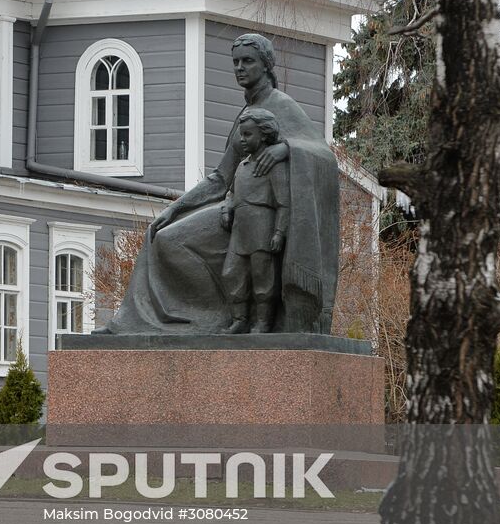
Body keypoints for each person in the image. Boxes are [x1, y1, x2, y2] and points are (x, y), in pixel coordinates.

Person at [105, 32, 338, 335]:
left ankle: (212, 318)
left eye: (248, 61)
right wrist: (175, 209)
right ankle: (200, 318)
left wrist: (287, 149)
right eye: (236, 62)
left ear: (266, 65)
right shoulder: (247, 112)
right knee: (162, 236)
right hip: (236, 212)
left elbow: (324, 157)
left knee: (171, 242)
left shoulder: (281, 105)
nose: (240, 67)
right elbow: (220, 178)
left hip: (263, 220)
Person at [220, 107, 290, 334]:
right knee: (232, 273)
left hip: (263, 227)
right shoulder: (243, 165)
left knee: (263, 277)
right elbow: (231, 192)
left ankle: (263, 322)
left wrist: (279, 232)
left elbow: (283, 203)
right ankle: (239, 319)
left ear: (264, 135)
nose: (243, 139)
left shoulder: (272, 165)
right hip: (240, 229)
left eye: (248, 134)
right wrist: (227, 207)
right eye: (241, 134)